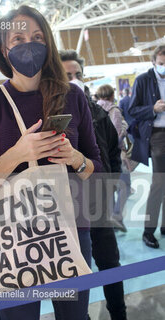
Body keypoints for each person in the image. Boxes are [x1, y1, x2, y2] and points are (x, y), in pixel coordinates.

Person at [0, 6, 102, 320]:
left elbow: (97, 171)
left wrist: (77, 159)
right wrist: (18, 153)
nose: (29, 44)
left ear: (48, 43)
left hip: (70, 232)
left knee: (75, 316)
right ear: (4, 48)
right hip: (15, 239)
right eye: (19, 37)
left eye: (37, 37)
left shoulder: (72, 96)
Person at [59, 49, 127, 320]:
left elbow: (112, 152)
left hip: (97, 203)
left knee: (110, 263)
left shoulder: (98, 112)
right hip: (67, 211)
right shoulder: (52, 116)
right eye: (67, 76)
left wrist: (109, 186)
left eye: (77, 74)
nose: (74, 80)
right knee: (75, 271)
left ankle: (119, 314)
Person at [128, 45, 165, 249]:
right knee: (159, 183)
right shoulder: (143, 80)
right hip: (157, 135)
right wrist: (153, 108)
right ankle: (148, 231)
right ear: (153, 62)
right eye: (161, 64)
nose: (164, 68)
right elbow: (133, 110)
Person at [96, 84, 130, 232]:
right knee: (125, 187)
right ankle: (116, 216)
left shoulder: (94, 109)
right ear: (111, 95)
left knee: (109, 187)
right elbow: (116, 136)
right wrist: (124, 129)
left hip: (100, 155)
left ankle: (110, 218)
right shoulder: (114, 110)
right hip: (116, 155)